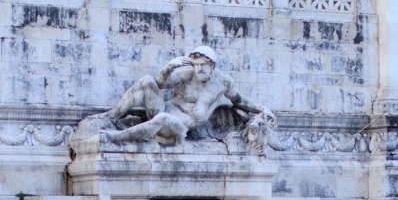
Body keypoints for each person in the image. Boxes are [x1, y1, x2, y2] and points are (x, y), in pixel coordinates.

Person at [99, 46, 275, 146]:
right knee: (147, 81)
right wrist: (169, 67)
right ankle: (110, 117)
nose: (199, 68)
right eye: (196, 64)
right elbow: (161, 84)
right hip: (161, 111)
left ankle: (113, 137)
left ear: (212, 66)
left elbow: (240, 100)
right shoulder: (187, 74)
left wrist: (262, 108)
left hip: (177, 127)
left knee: (162, 118)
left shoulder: (223, 82)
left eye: (203, 65)